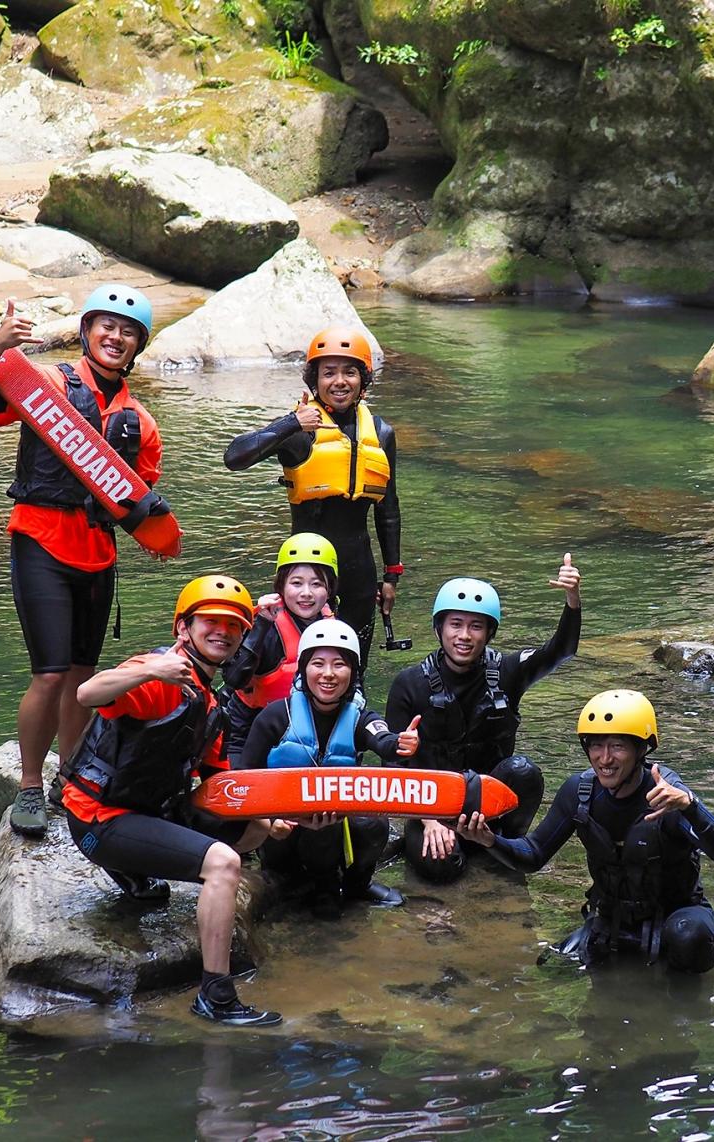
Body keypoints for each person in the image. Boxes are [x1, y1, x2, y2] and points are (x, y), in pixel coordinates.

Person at [0, 285, 167, 840]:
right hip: (40, 541)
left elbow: (139, 500)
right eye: (107, 326)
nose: (115, 337)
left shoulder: (141, 422)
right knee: (49, 674)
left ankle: (71, 778)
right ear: (86, 330)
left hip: (97, 556)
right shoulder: (46, 385)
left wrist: (156, 529)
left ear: (138, 345)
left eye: (128, 332)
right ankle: (30, 785)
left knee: (81, 676)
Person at [61, 574, 289, 1026]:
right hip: (99, 818)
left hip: (149, 810)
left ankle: (137, 869)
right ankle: (215, 995)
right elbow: (87, 693)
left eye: (234, 625)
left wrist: (273, 819)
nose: (222, 631)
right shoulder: (158, 673)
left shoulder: (211, 704)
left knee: (253, 829)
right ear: (184, 628)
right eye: (211, 622)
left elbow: (221, 786)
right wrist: (149, 670)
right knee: (223, 863)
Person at [455, 690, 714, 973]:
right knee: (552, 968)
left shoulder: (669, 797)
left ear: (642, 749)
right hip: (612, 920)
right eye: (596, 746)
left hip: (674, 918)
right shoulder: (579, 792)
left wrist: (690, 806)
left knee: (688, 938)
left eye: (617, 746)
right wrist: (490, 840)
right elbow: (534, 854)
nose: (604, 759)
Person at [385, 554, 582, 883]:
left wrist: (572, 600)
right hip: (433, 806)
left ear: (489, 633)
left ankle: (504, 845)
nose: (464, 635)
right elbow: (392, 768)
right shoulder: (409, 683)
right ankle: (445, 843)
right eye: (455, 624)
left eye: (476, 626)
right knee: (441, 869)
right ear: (439, 628)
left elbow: (560, 651)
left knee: (523, 771)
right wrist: (428, 820)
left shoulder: (507, 671)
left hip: (490, 803)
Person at [223, 328, 401, 663]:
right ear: (314, 380)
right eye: (328, 373)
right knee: (301, 663)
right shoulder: (299, 432)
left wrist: (391, 575)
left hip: (359, 572)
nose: (339, 381)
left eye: (349, 372)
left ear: (363, 380)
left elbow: (388, 508)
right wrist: (291, 423)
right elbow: (234, 457)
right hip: (306, 570)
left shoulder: (381, 433)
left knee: (352, 665)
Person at [238, 619, 420, 918]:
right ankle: (296, 884)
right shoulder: (275, 716)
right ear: (304, 669)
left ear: (353, 672)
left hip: (330, 830)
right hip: (281, 832)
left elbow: (383, 739)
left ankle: (348, 885)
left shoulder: (360, 717)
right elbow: (245, 778)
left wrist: (401, 743)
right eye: (318, 664)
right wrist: (269, 821)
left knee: (370, 822)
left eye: (339, 665)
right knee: (306, 824)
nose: (328, 674)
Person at [221, 532, 339, 761]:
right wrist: (261, 625)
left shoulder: (333, 625)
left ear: (329, 589)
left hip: (307, 733)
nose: (306, 593)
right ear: (281, 586)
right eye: (296, 583)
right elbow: (234, 679)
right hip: (248, 734)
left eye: (316, 584)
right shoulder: (266, 626)